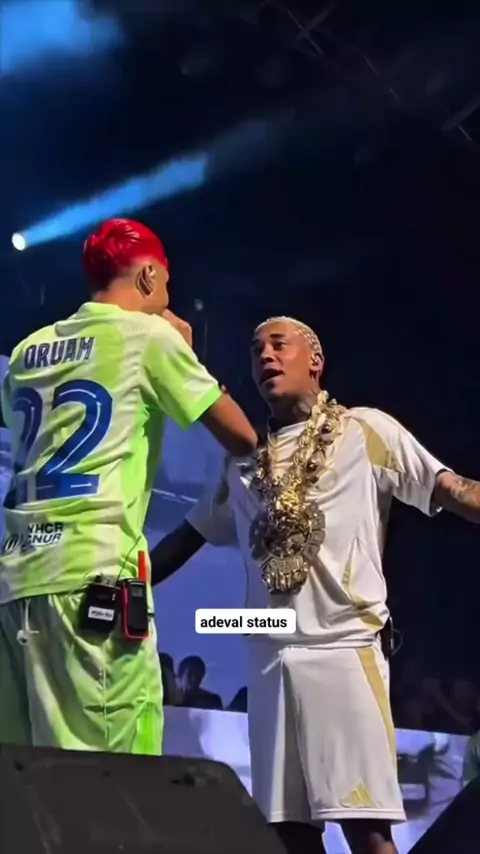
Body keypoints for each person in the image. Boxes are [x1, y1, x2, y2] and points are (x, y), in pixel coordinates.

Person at [149, 315, 480, 854]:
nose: (265, 356)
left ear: (316, 361)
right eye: (256, 350)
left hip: (343, 648)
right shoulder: (244, 463)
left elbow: (456, 490)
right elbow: (186, 538)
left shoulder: (365, 430)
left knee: (365, 828)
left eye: (279, 344)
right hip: (270, 660)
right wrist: (125, 579)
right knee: (289, 834)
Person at [0, 218, 256, 755]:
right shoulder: (149, 337)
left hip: (15, 578)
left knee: (23, 776)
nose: (168, 298)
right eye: (166, 284)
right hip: (93, 575)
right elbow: (242, 436)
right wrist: (188, 356)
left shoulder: (25, 353)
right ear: (146, 277)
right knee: (111, 777)